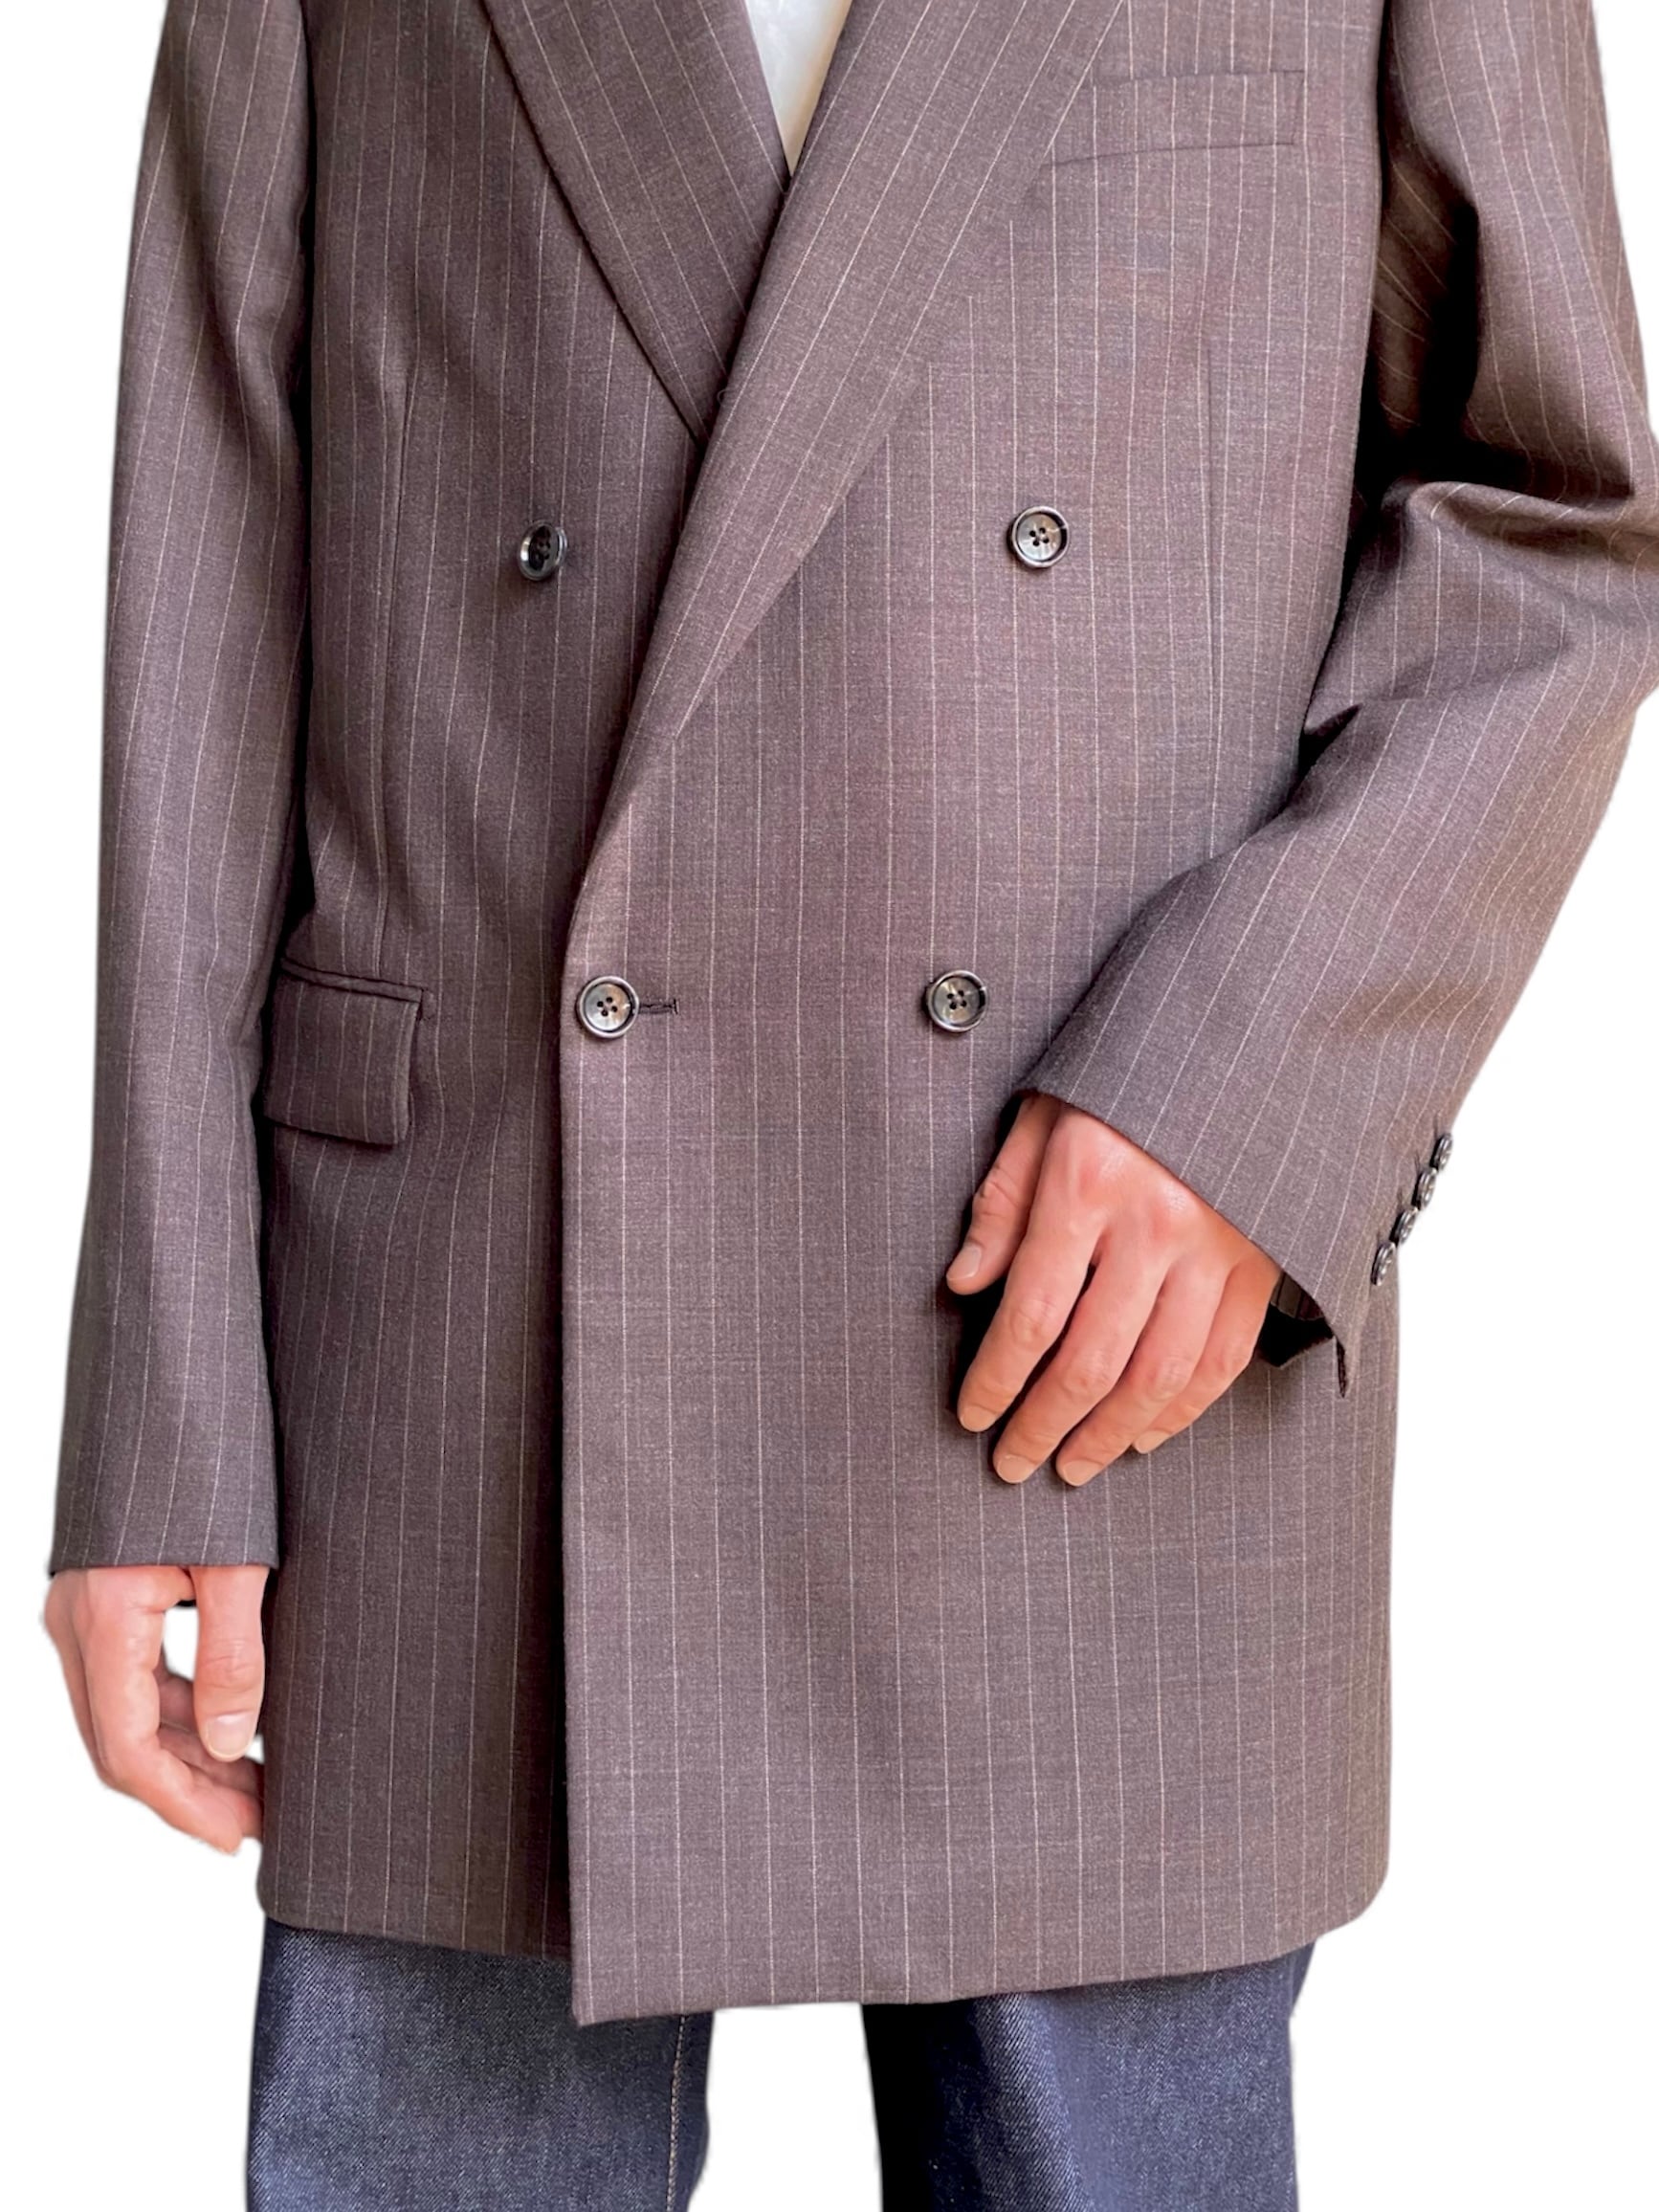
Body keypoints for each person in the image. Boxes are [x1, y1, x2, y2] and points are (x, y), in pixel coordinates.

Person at [41, 0, 1659, 2204]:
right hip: (462, 1328)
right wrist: (164, 1391)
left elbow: (1557, 518)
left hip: (1098, 1318)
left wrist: (1251, 1085)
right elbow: (215, 539)